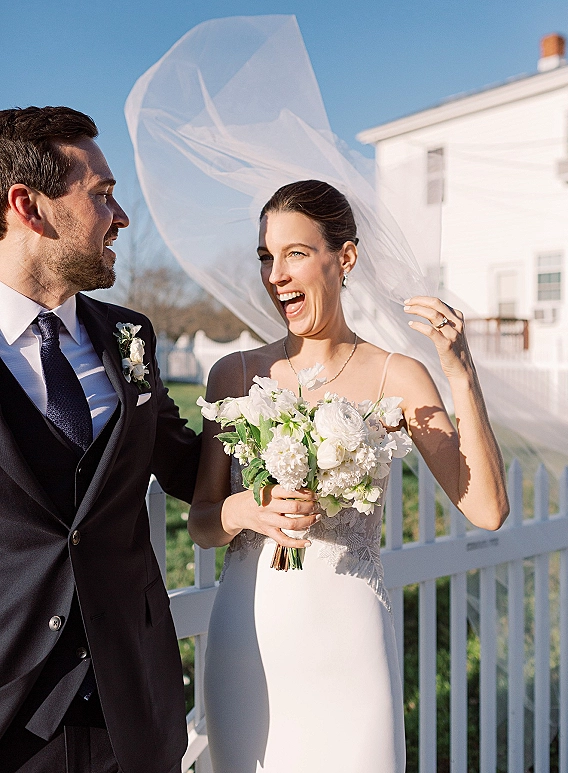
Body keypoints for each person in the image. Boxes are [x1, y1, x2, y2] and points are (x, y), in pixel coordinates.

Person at [189, 179, 509, 773]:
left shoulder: (399, 376)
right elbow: (203, 523)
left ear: (346, 258)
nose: (274, 274)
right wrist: (245, 511)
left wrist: (461, 374)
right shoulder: (232, 374)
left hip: (350, 646)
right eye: (266, 256)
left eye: (295, 253)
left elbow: (487, 509)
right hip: (250, 641)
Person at [0, 106, 201, 773]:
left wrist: (293, 399)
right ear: (28, 207)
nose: (121, 217)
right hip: (14, 723)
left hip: (132, 706)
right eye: (102, 196)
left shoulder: (130, 337)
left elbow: (189, 467)